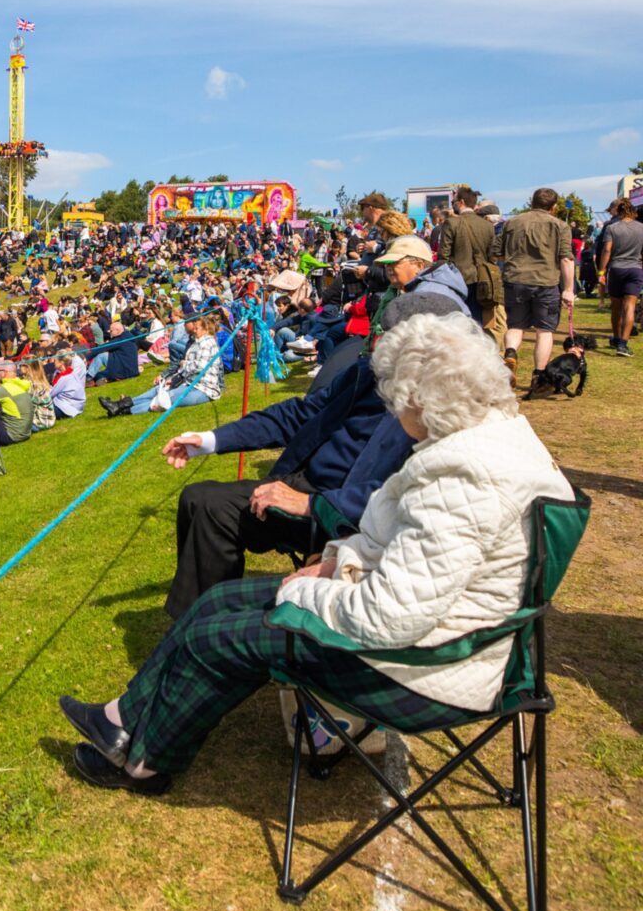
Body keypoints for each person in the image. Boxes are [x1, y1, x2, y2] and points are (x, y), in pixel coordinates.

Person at [58, 311, 572, 796]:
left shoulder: (464, 477)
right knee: (218, 602)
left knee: (217, 638)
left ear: (421, 398)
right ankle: (121, 721)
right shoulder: (488, 439)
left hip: (429, 664)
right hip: (441, 628)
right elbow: (400, 548)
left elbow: (391, 617)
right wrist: (336, 559)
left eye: (397, 399)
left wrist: (307, 590)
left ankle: (148, 763)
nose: (392, 412)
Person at [157, 293, 464, 618]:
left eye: (390, 338)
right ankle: (195, 624)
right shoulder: (365, 375)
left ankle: (201, 631)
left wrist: (312, 504)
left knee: (211, 504)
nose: (378, 344)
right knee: (198, 499)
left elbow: (404, 496)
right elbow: (296, 415)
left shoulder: (442, 415)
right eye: (382, 334)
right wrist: (209, 439)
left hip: (344, 515)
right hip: (303, 487)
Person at [493, 187, 575, 382]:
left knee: (515, 325)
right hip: (545, 282)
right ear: (554, 207)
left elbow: (497, 252)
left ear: (531, 202)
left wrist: (514, 258)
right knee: (544, 330)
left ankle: (511, 353)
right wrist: (569, 289)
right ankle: (538, 374)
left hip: (515, 279)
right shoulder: (560, 226)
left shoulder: (512, 222)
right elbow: (566, 259)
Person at [117, 312, 225, 414]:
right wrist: (174, 378)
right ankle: (121, 405)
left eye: (197, 328)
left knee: (165, 398)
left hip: (204, 389)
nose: (195, 330)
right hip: (190, 383)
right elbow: (190, 368)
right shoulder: (197, 343)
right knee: (158, 390)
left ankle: (125, 410)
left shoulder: (207, 344)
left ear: (205, 329)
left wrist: (184, 364)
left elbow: (200, 367)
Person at [439, 186, 502, 339]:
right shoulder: (487, 226)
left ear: (461, 202)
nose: (452, 204)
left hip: (457, 279)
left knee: (456, 320)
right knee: (477, 321)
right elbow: (491, 255)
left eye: (454, 201)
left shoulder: (451, 223)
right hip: (481, 279)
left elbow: (443, 255)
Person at [597, 198, 642, 356]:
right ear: (633, 211)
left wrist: (602, 271)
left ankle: (616, 338)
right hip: (635, 269)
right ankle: (623, 344)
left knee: (616, 306)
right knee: (630, 306)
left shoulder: (612, 228)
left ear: (620, 211)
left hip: (616, 269)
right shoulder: (641, 228)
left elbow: (607, 250)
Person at [0, 362, 34, 445]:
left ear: (4, 373)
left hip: (12, 437)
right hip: (25, 433)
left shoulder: (4, 389)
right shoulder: (20, 384)